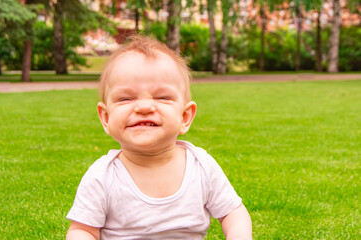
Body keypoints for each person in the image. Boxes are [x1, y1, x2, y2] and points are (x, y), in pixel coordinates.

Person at [66, 35, 252, 240]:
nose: (144, 107)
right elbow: (82, 230)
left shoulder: (201, 166)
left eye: (162, 97)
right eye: (125, 98)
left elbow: (233, 213)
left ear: (185, 116)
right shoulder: (102, 176)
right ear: (106, 118)